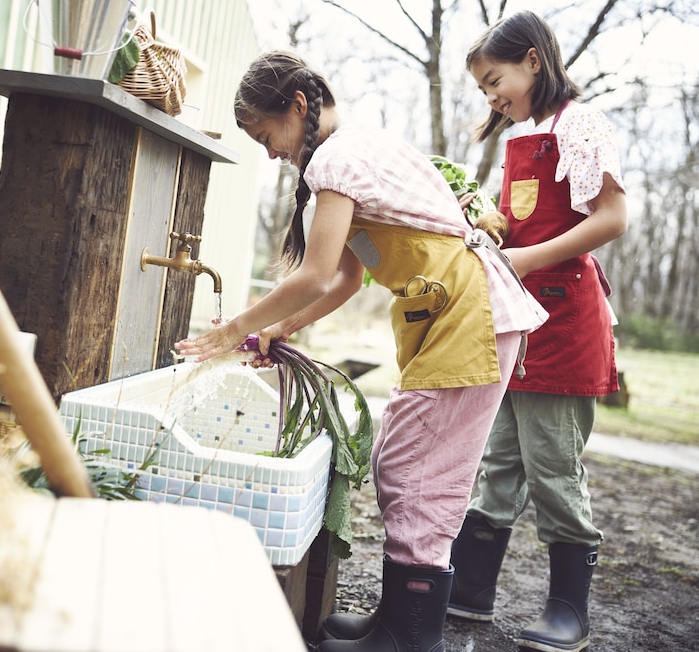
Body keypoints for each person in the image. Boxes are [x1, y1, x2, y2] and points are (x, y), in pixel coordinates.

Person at [173, 49, 548, 652]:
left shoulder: (338, 160)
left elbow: (317, 274)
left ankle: (410, 634)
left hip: (468, 316)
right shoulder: (354, 149)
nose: (268, 151)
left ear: (297, 107)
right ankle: (398, 620)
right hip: (456, 313)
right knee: (405, 462)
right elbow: (346, 278)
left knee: (421, 472)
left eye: (266, 135)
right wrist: (282, 328)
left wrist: (231, 327)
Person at [444, 11, 628, 652]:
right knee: (496, 462)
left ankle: (568, 610)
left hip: (564, 323)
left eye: (496, 80)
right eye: (483, 89)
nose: (492, 97)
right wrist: (490, 227)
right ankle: (469, 592)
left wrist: (523, 258)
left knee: (553, 467)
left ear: (532, 60)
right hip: (517, 324)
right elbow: (527, 219)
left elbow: (612, 218)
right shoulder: (528, 133)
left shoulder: (579, 123)